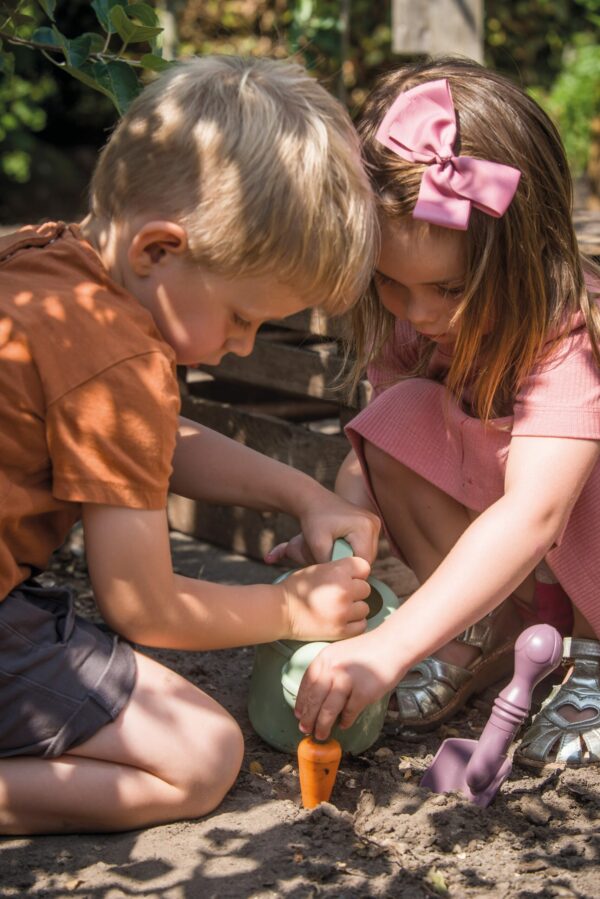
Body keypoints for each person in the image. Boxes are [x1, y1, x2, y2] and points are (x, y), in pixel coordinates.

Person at [0, 55, 381, 835]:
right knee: (201, 755)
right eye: (242, 317)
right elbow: (143, 604)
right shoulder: (121, 356)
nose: (242, 346)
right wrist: (287, 606)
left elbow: (152, 440)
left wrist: (302, 492)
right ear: (159, 251)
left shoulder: (50, 269)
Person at [287, 57, 600, 770]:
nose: (421, 313)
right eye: (392, 285)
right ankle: (476, 635)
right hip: (520, 583)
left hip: (576, 561)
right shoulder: (421, 323)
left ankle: (593, 662)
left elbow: (536, 514)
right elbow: (381, 454)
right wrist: (339, 535)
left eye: (451, 287)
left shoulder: (566, 334)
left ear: (522, 255)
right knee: (398, 415)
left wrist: (388, 646)